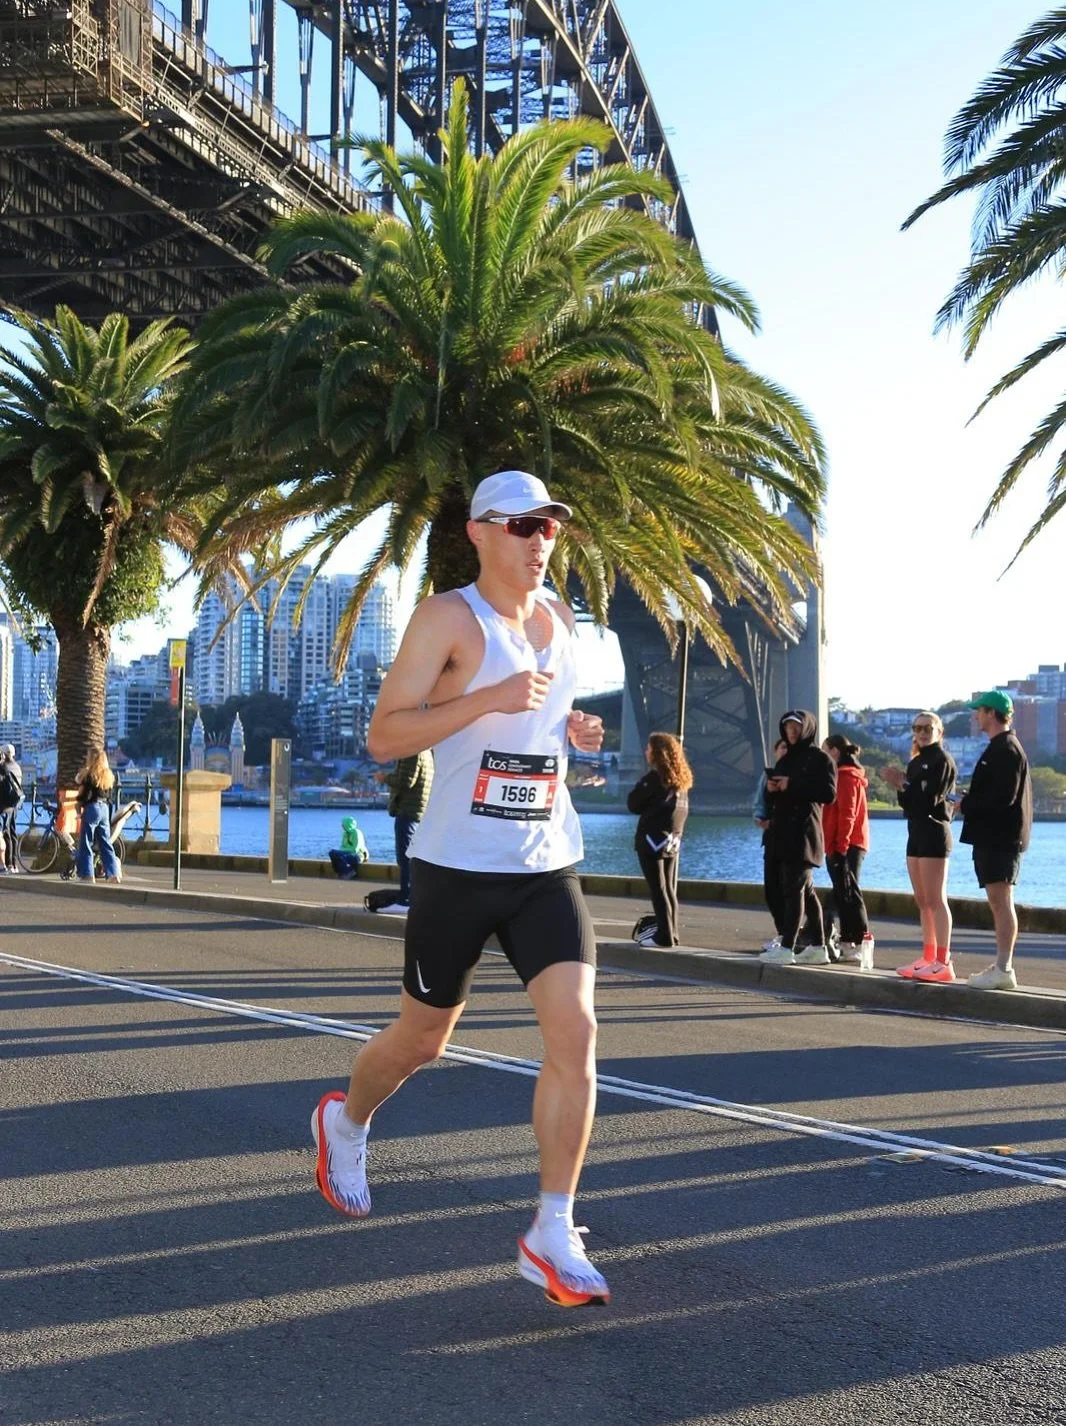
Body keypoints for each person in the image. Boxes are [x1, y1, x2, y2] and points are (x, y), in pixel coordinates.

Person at [310, 470, 610, 1308]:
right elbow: (384, 736)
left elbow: (539, 729)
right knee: (421, 1042)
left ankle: (552, 1228)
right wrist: (488, 698)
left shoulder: (561, 621)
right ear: (479, 532)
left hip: (545, 862)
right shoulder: (447, 617)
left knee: (577, 1031)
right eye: (522, 527)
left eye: (550, 526)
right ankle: (346, 1122)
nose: (540, 541)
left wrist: (572, 730)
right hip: (457, 867)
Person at [957, 691, 1032, 991]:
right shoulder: (1001, 747)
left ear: (992, 713)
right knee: (998, 901)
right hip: (995, 837)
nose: (976, 717)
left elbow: (1003, 798)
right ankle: (1002, 966)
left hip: (1001, 839)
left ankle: (1004, 968)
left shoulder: (1006, 749)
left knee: (1001, 902)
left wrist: (968, 804)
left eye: (980, 711)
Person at [758, 710, 836, 966]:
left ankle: (787, 947)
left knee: (794, 891)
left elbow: (828, 794)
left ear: (807, 729)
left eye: (796, 727)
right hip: (780, 834)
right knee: (806, 891)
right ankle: (818, 947)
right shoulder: (785, 759)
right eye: (787, 727)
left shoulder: (821, 759)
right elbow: (777, 798)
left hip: (803, 834)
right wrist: (771, 790)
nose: (791, 731)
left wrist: (792, 784)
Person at [883, 712, 957, 981]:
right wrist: (901, 785)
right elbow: (909, 802)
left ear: (939, 731)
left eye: (928, 727)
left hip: (934, 831)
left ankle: (943, 960)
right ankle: (928, 955)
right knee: (922, 901)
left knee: (936, 899)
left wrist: (902, 783)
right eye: (917, 728)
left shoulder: (942, 760)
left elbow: (930, 798)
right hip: (915, 831)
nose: (922, 732)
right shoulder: (916, 762)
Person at [627, 732, 692, 949]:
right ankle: (672, 932)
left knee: (658, 888)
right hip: (672, 840)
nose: (646, 752)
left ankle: (664, 936)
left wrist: (641, 787)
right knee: (669, 888)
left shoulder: (655, 779)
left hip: (652, 839)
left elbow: (633, 804)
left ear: (657, 753)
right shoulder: (681, 781)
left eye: (649, 748)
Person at [821, 735, 874, 964]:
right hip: (840, 844)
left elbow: (847, 814)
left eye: (825, 751)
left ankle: (857, 942)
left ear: (834, 752)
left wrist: (840, 847)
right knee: (843, 894)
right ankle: (846, 941)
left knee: (849, 894)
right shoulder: (844, 776)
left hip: (846, 845)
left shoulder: (846, 777)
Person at [370, 750, 434, 915]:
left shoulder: (412, 752)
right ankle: (412, 898)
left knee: (405, 857)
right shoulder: (426, 751)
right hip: (418, 810)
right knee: (411, 856)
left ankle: (406, 900)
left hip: (408, 810)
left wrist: (384, 778)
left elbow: (406, 782)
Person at [753, 737, 789, 952]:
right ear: (775, 751)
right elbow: (759, 802)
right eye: (782, 747)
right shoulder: (767, 776)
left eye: (788, 747)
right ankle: (782, 933)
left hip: (793, 839)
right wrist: (760, 819)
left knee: (793, 890)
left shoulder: (800, 773)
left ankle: (792, 938)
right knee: (772, 889)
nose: (785, 750)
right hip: (772, 837)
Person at [73, 747, 121, 884]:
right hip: (104, 808)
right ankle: (113, 874)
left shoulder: (89, 775)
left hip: (92, 807)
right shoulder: (108, 775)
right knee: (105, 842)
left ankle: (88, 875)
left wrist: (79, 804)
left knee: (86, 842)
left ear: (92, 759)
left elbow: (84, 794)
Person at [0, 744, 23, 874]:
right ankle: (14, 864)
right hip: (14, 804)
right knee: (13, 834)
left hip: (4, 804)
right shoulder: (17, 767)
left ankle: (7, 864)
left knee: (5, 834)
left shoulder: (4, 768)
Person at [328, 816, 369, 880]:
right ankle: (339, 872)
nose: (342, 826)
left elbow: (355, 849)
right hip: (348, 853)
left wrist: (342, 852)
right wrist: (340, 852)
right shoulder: (345, 833)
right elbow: (342, 846)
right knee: (332, 853)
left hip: (358, 855)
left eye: (343, 824)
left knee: (341, 857)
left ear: (348, 824)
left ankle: (350, 872)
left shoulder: (357, 832)